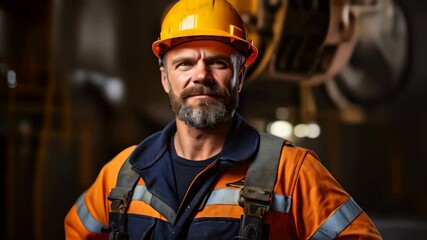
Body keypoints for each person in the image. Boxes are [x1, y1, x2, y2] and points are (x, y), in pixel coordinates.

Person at [64, 0, 382, 239]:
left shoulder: (292, 173)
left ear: (240, 76)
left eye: (217, 63)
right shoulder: (121, 175)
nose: (200, 75)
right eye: (184, 64)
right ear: (165, 79)